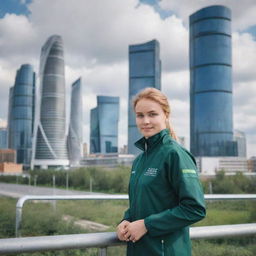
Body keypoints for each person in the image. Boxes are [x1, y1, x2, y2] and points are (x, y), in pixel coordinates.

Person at [116, 87, 206, 256]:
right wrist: (126, 219)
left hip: (166, 251)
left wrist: (147, 225)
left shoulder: (175, 154)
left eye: (152, 114)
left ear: (166, 115)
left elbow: (194, 208)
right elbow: (144, 201)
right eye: (140, 115)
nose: (145, 121)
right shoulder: (140, 160)